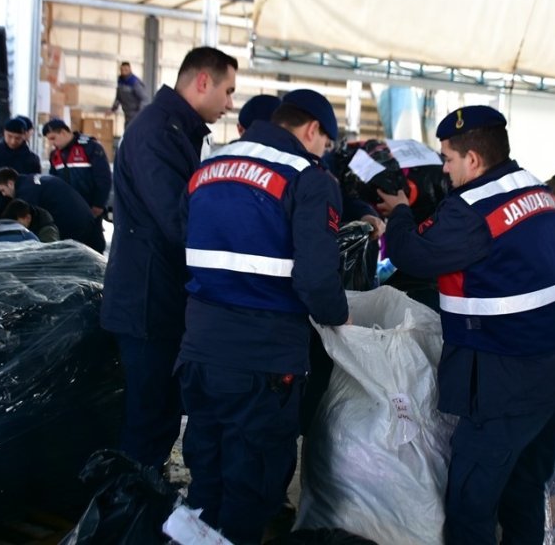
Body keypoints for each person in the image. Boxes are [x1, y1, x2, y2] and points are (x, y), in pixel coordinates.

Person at [377, 105, 555, 545]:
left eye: (448, 159)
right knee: (524, 490)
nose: (444, 169)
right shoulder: (540, 192)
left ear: (472, 159)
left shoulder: (470, 211)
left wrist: (400, 212)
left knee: (470, 506)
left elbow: (414, 254)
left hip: (507, 380)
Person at [177, 89, 348, 543]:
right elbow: (317, 280)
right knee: (251, 487)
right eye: (325, 143)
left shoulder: (209, 168)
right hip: (262, 362)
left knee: (206, 476)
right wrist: (340, 317)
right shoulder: (307, 178)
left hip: (199, 351)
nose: (322, 152)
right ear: (312, 129)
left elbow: (183, 240)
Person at [101, 46, 238, 471]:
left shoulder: (175, 129)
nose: (230, 103)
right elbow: (178, 218)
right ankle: (127, 506)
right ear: (203, 82)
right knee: (147, 424)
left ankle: (142, 498)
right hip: (145, 303)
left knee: (158, 418)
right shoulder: (158, 132)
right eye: (228, 91)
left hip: (160, 297)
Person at [0, 168, 104, 253]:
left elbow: (30, 225)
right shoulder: (31, 180)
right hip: (84, 217)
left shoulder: (26, 193)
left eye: (3, 190)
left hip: (72, 224)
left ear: (10, 183)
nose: (4, 194)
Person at [42, 118, 112, 217]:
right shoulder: (54, 155)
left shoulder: (90, 147)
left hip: (89, 208)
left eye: (53, 138)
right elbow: (53, 181)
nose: (51, 143)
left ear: (63, 132)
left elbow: (103, 178)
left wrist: (98, 204)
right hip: (64, 208)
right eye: (49, 139)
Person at [112, 61, 151, 129]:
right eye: (122, 70)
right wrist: (113, 109)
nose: (124, 71)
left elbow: (145, 99)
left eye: (126, 70)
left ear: (130, 69)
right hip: (127, 115)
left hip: (135, 116)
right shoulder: (120, 81)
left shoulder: (135, 82)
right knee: (127, 131)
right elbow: (118, 97)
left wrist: (139, 114)